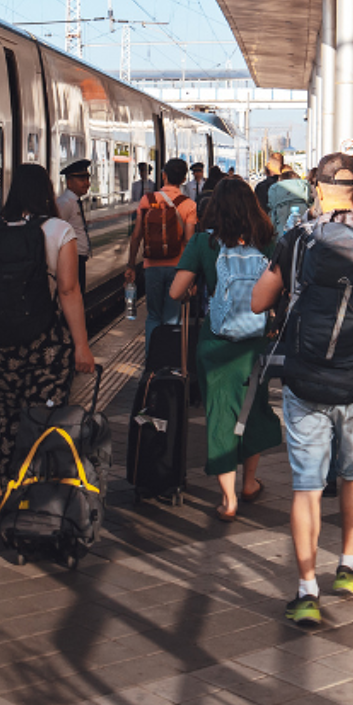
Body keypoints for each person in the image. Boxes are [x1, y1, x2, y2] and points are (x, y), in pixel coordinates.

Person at [250, 152, 353, 627]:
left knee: (306, 486)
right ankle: (347, 566)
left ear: (316, 189)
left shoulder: (298, 239)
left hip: (305, 381)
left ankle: (306, 591)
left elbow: (259, 299)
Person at [0, 164, 98, 472]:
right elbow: (69, 291)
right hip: (46, 345)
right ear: (46, 192)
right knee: (46, 420)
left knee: (8, 420)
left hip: (1, 345)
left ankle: (11, 494)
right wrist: (82, 346)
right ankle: (41, 499)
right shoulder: (60, 231)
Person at [169, 178, 282, 522]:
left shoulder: (204, 242)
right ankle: (249, 484)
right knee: (251, 410)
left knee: (220, 415)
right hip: (255, 343)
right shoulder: (269, 242)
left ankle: (228, 500)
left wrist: (197, 286)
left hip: (216, 344)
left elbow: (175, 292)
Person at [124, 158, 198, 337]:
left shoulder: (146, 200)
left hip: (152, 266)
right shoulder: (189, 205)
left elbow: (136, 236)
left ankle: (152, 361)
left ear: (163, 176)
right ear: (183, 179)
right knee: (172, 317)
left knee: (153, 316)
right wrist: (191, 274)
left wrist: (131, 264)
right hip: (177, 267)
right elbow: (189, 241)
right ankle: (170, 362)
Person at [56, 159, 94, 291]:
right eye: (82, 180)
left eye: (88, 179)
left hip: (78, 259)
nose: (87, 184)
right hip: (71, 260)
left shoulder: (74, 201)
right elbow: (57, 233)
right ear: (69, 182)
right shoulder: (65, 203)